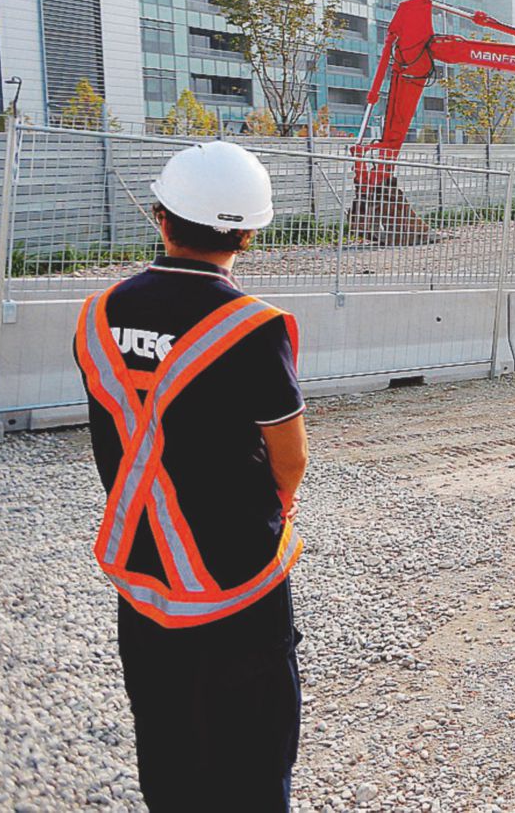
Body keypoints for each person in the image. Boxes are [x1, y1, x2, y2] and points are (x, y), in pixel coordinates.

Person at [73, 141, 309, 811]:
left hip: (143, 574)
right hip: (240, 583)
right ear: (250, 232)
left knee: (169, 745)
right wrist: (276, 508)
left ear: (160, 217)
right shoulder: (253, 329)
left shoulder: (95, 318)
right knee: (256, 759)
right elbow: (290, 458)